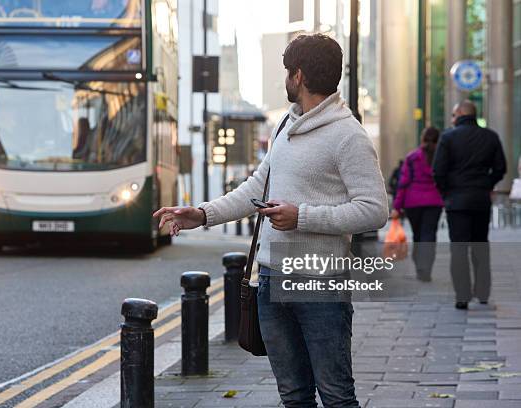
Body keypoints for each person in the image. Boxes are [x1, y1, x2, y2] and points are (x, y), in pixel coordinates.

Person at [154, 33, 388, 407]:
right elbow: (255, 188)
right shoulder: (286, 126)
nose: (285, 80)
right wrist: (202, 214)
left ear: (298, 75)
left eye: (286, 72)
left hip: (321, 283)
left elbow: (375, 209)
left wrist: (302, 217)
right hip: (272, 279)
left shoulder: (348, 135)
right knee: (293, 395)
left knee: (336, 395)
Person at [432, 100, 507, 309]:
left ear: (460, 114)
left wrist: (447, 192)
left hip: (456, 202)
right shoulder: (490, 137)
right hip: (480, 200)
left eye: (454, 115)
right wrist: (487, 184)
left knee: (459, 249)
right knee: (480, 246)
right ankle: (483, 293)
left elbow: (438, 171)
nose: (452, 119)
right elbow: (501, 167)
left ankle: (462, 296)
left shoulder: (448, 137)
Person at [391, 127, 444, 281]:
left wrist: (397, 205)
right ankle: (425, 268)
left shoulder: (412, 157)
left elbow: (403, 182)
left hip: (413, 203)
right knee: (429, 235)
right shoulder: (440, 157)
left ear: (422, 139)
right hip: (434, 202)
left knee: (417, 235)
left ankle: (420, 265)